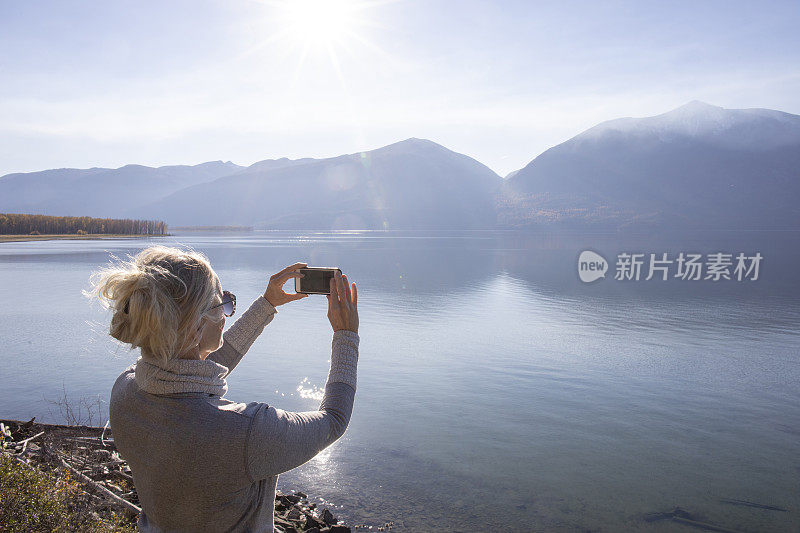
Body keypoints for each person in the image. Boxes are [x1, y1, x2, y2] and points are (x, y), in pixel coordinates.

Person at [90, 245, 359, 532]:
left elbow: (190, 373)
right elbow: (334, 420)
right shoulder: (246, 431)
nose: (227, 312)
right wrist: (346, 335)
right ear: (196, 327)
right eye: (224, 304)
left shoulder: (125, 391)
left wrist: (267, 304)